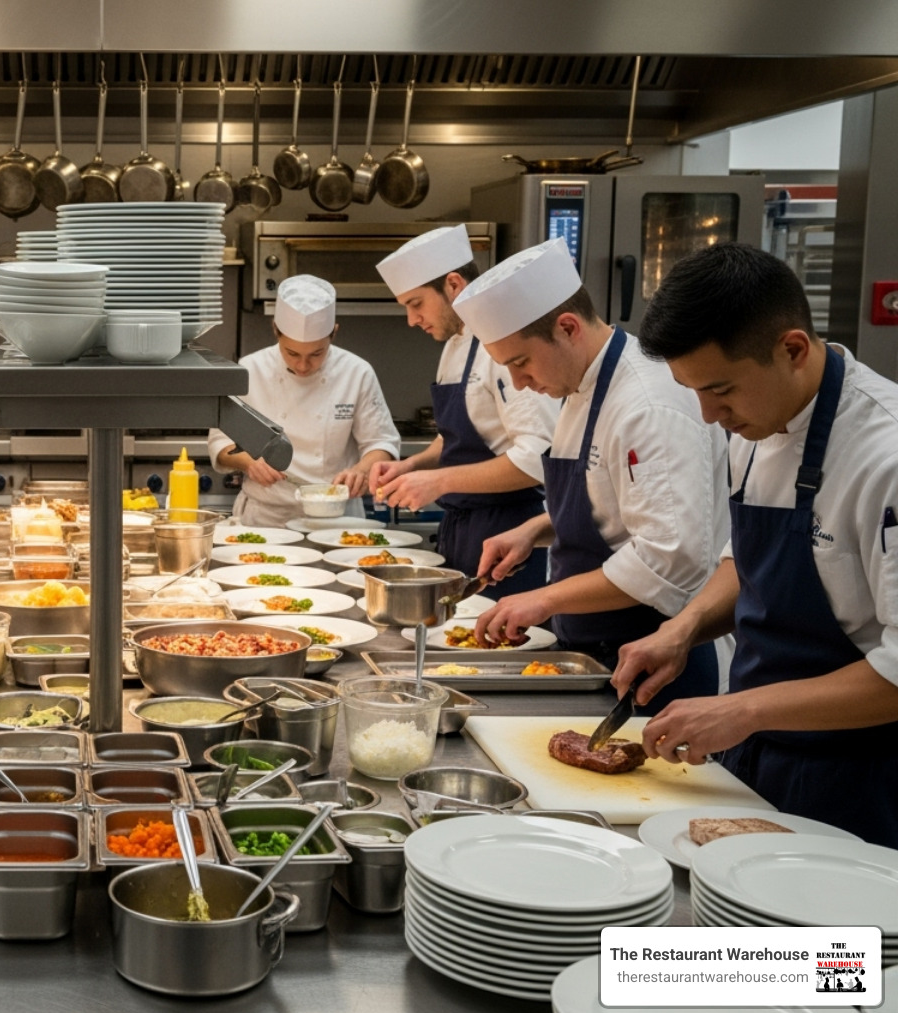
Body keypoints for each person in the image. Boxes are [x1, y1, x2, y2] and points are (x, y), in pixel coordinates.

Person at [610, 244, 898, 846]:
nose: (709, 416)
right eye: (692, 392)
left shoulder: (885, 456)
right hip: (754, 757)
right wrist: (683, 630)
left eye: (720, 390)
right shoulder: (756, 419)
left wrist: (742, 709)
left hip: (861, 781)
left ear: (791, 349)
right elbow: (747, 559)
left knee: (824, 945)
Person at [451, 238, 729, 705]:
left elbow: (669, 558)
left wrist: (546, 599)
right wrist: (534, 529)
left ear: (567, 328)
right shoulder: (583, 386)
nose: (518, 382)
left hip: (654, 664)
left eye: (520, 362)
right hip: (598, 651)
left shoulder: (648, 404)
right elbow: (609, 502)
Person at [370, 225, 557, 596]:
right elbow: (455, 436)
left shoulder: (502, 344)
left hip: (510, 536)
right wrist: (412, 466)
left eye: (416, 303)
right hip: (463, 529)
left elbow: (538, 456)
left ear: (453, 284)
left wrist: (439, 481)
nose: (412, 320)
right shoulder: (454, 344)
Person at [207, 275, 399, 526]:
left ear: (334, 333)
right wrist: (248, 462)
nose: (303, 365)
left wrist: (361, 471)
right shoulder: (250, 370)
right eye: (292, 353)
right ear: (276, 330)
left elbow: (381, 443)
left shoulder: (357, 373)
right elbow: (220, 442)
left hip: (337, 522)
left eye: (317, 353)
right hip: (266, 520)